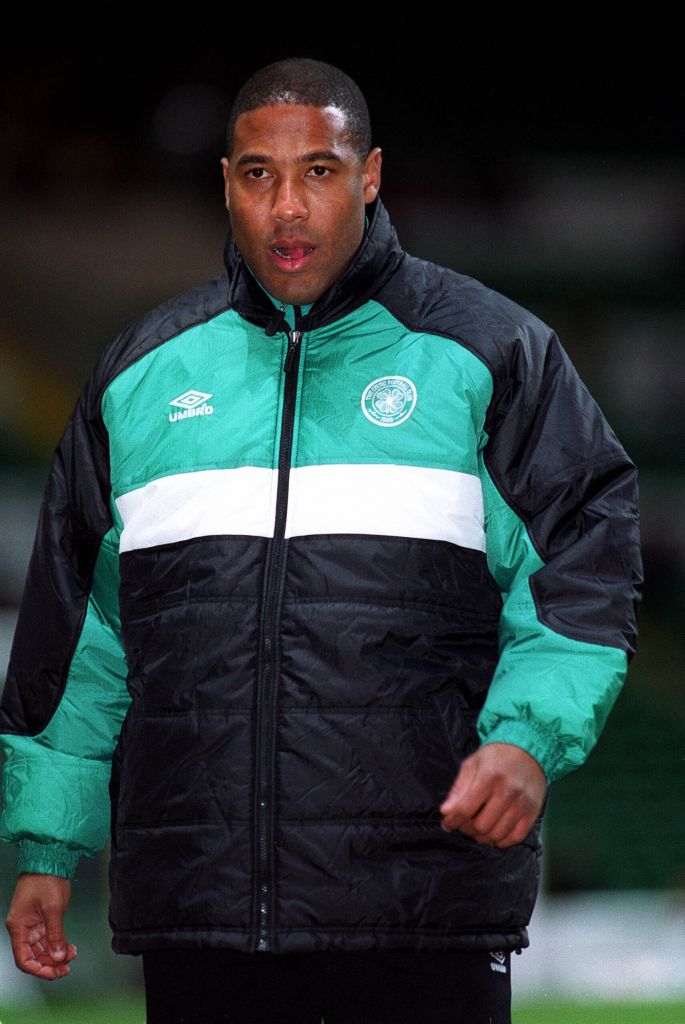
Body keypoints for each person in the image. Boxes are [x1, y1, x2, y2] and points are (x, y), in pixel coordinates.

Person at [0, 58, 641, 1023]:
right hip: (202, 922)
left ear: (370, 176)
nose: (287, 207)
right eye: (260, 175)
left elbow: (582, 568)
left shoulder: (491, 354)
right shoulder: (139, 377)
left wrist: (526, 740)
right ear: (226, 184)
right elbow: (80, 637)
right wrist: (48, 849)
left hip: (422, 914)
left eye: (320, 171)